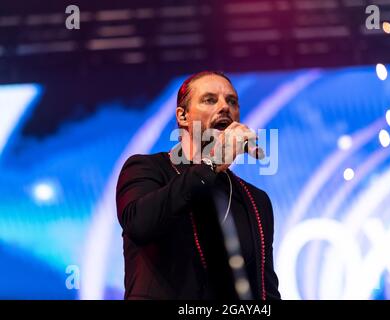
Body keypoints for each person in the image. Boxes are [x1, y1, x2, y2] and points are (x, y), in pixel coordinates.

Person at [116, 71, 280, 300]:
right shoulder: (146, 169)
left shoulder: (255, 199)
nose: (224, 107)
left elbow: (265, 289)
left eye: (232, 101)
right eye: (210, 100)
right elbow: (141, 224)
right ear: (182, 116)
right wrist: (212, 163)